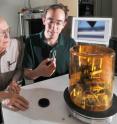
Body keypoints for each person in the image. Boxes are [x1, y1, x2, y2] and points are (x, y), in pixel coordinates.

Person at [23, 3, 76, 82]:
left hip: (63, 87)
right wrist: (38, 72)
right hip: (40, 89)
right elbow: (26, 74)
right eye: (50, 21)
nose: (53, 27)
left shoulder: (71, 43)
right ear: (44, 20)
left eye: (58, 23)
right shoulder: (30, 41)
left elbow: (75, 71)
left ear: (64, 24)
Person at [0, 17, 29, 123]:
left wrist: (13, 82)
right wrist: (2, 96)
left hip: (12, 99)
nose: (8, 37)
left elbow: (19, 69)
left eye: (8, 30)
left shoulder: (16, 45)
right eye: (2, 33)